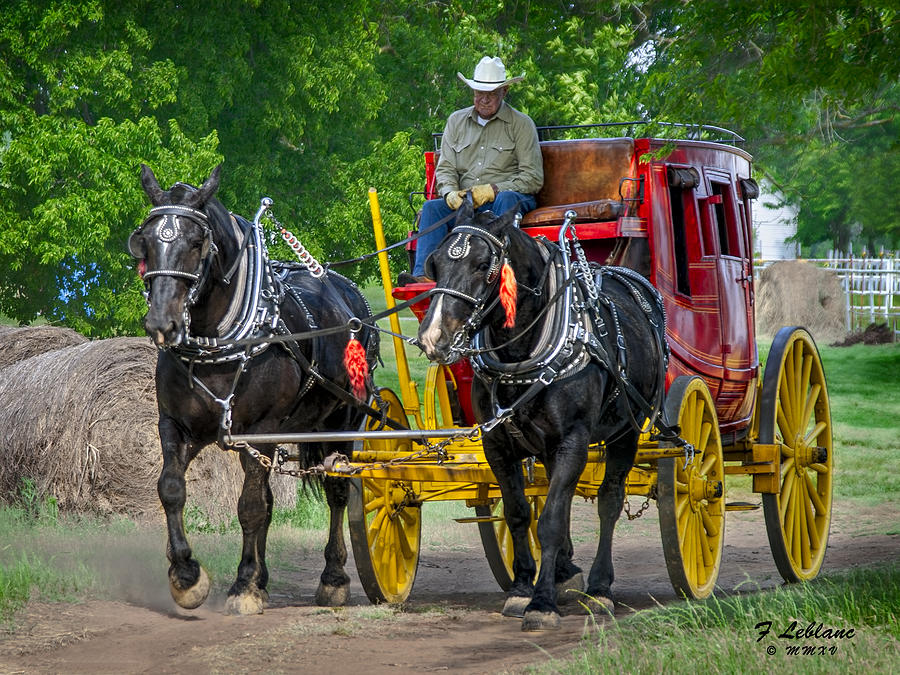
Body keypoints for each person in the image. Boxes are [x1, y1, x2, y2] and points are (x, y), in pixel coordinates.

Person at [399, 56, 544, 284]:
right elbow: (445, 169)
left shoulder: (521, 124)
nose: (484, 99)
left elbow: (533, 178)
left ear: (504, 92)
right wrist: (449, 193)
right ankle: (424, 277)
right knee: (431, 208)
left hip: (505, 199)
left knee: (505, 200)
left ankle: (499, 271)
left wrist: (494, 189)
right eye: (479, 93)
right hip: (466, 203)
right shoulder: (456, 121)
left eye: (491, 94)